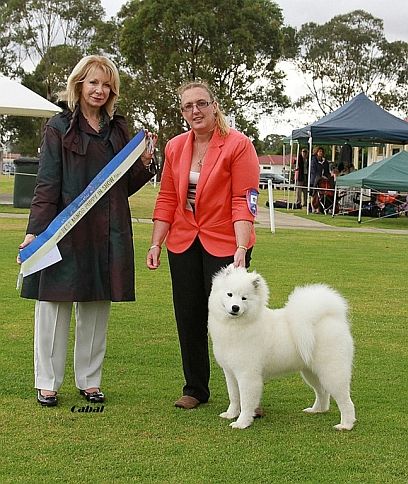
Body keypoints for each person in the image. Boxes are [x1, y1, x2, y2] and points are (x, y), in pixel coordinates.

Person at [17, 55, 157, 407]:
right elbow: (46, 185)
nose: (100, 90)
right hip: (64, 230)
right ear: (79, 84)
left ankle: (90, 381)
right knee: (52, 305)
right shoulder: (58, 127)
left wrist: (143, 164)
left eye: (106, 84)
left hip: (107, 232)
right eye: (93, 82)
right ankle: (47, 383)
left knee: (96, 307)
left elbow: (123, 187)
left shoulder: (119, 130)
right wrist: (36, 232)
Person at [146, 81, 260, 410]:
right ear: (182, 112)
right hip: (183, 240)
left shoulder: (238, 145)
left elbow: (244, 199)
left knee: (236, 317)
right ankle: (195, 388)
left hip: (226, 240)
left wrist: (241, 247)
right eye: (187, 106)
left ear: (214, 105)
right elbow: (167, 196)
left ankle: (248, 395)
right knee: (189, 314)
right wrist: (157, 242)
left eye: (201, 104)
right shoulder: (175, 147)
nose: (195, 111)